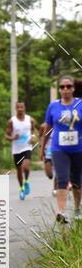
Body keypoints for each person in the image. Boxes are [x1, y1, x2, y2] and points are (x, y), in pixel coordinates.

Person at [40, 75, 82, 223]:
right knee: (62, 179)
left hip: (78, 149)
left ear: (73, 89)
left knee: (77, 182)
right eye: (62, 87)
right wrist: (43, 147)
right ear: (59, 90)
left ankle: (77, 208)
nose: (65, 89)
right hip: (59, 148)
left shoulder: (80, 104)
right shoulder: (53, 106)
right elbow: (47, 128)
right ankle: (61, 211)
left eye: (69, 86)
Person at [6, 100, 36, 199]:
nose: (20, 109)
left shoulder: (29, 119)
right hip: (16, 149)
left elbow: (33, 129)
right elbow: (7, 135)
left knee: (25, 166)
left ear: (24, 108)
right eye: (18, 107)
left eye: (21, 107)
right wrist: (12, 138)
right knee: (19, 170)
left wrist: (32, 136)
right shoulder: (12, 121)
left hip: (27, 147)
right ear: (15, 108)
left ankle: (26, 181)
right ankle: (22, 188)